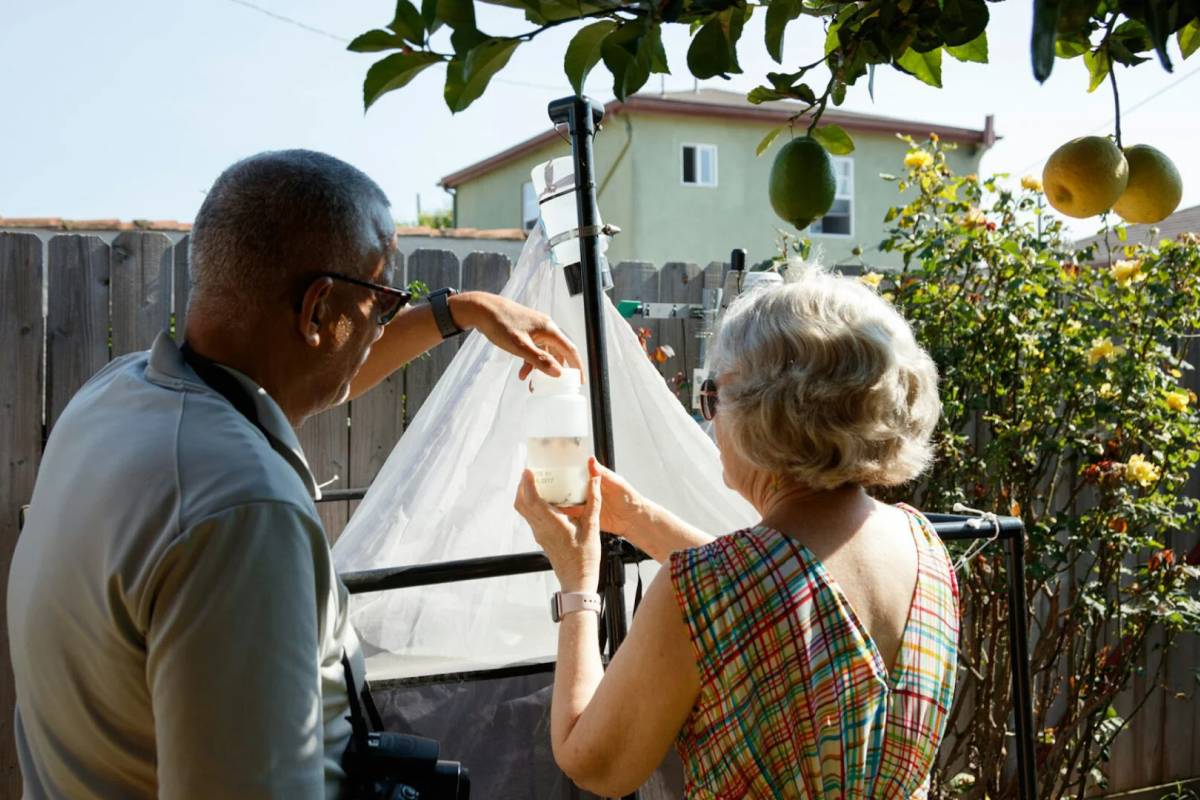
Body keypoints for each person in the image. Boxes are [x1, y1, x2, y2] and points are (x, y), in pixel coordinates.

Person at [8, 149, 581, 800]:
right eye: (383, 301)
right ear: (316, 311)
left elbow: (319, 378)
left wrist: (462, 311)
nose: (383, 321)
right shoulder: (241, 507)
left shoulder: (119, 399)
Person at [515, 265, 959, 799]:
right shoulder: (925, 548)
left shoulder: (702, 588)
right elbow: (792, 598)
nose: (710, 419)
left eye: (714, 397)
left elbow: (595, 765)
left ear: (764, 413)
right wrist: (636, 518)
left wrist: (577, 578)